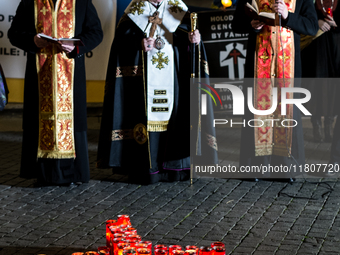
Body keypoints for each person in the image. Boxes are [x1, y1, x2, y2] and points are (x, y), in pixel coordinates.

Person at [97, 0, 218, 184]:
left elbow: (187, 39)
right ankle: (147, 168)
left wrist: (194, 41)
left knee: (175, 118)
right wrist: (138, 43)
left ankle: (175, 168)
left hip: (174, 79)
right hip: (142, 83)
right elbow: (121, 44)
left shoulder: (177, 9)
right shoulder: (133, 13)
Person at [8, 0, 103, 186]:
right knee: (39, 120)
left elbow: (96, 33)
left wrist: (76, 47)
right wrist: (33, 40)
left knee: (73, 122)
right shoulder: (30, 1)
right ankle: (41, 173)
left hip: (71, 74)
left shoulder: (81, 1)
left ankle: (74, 173)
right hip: (39, 75)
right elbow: (14, 34)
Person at [232, 0, 318, 180]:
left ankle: (285, 168)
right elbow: (236, 24)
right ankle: (254, 167)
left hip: (287, 67)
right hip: (259, 65)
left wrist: (288, 16)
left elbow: (311, 26)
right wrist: (252, 25)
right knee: (257, 112)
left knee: (285, 113)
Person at [301, 0, 339, 143]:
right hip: (315, 48)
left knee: (333, 86)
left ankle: (329, 125)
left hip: (335, 47)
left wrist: (336, 23)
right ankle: (316, 124)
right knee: (315, 85)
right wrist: (316, 22)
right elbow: (301, 16)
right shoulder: (310, 1)